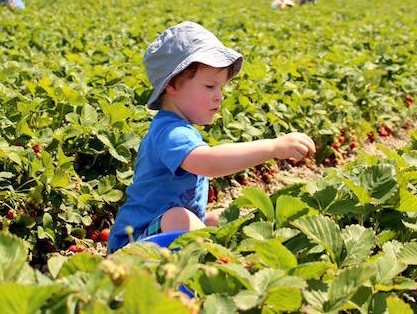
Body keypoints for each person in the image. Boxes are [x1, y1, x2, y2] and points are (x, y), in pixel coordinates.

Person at [108, 21, 315, 252]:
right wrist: (273, 147)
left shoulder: (181, 128)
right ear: (171, 86)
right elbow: (209, 163)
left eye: (222, 88)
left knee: (217, 220)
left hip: (161, 239)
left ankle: (245, 256)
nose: (219, 96)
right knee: (179, 218)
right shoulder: (169, 133)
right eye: (209, 86)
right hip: (133, 245)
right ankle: (215, 260)